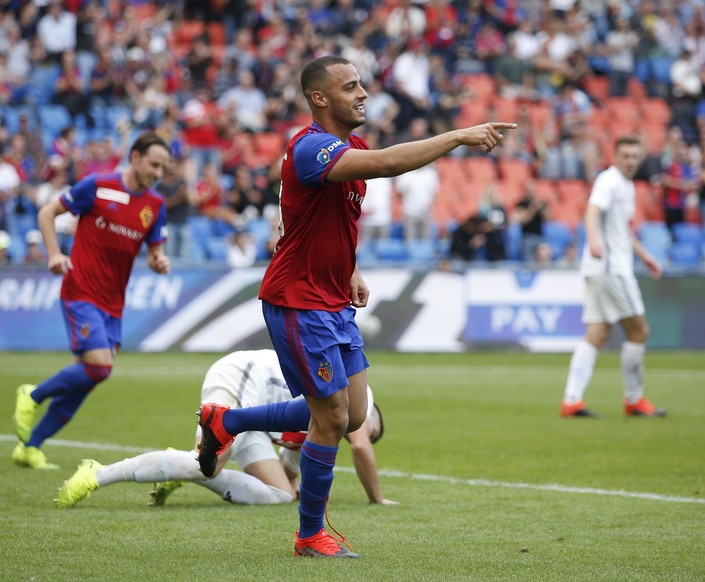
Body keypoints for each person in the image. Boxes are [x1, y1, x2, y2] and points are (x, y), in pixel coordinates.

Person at [195, 55, 515, 558]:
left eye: (362, 84)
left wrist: (351, 269)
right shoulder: (309, 148)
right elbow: (389, 164)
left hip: (333, 300)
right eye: (350, 86)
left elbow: (327, 221)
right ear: (320, 98)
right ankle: (309, 535)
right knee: (331, 418)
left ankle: (225, 422)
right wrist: (456, 137)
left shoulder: (348, 147)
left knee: (351, 415)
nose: (363, 93)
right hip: (299, 301)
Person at [12, 131, 172, 469]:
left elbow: (156, 252)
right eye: (154, 165)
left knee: (87, 380)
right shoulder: (97, 185)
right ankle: (33, 394)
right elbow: (46, 213)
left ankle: (30, 446)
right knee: (99, 366)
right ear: (135, 158)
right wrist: (54, 254)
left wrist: (159, 262)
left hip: (113, 304)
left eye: (163, 168)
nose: (158, 173)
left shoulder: (156, 206)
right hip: (80, 291)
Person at [54, 350, 395, 509]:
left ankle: (183, 470)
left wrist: (296, 485)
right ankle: (98, 474)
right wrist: (376, 499)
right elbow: (362, 447)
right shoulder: (358, 396)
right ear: (372, 415)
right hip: (243, 375)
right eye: (371, 428)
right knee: (211, 463)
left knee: (278, 496)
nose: (364, 434)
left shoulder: (323, 421)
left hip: (259, 413)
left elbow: (293, 458)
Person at [561, 136, 666, 419]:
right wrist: (594, 240)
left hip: (600, 269)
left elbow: (623, 230)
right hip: (610, 268)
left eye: (635, 156)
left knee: (596, 334)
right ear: (615, 156)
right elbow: (592, 211)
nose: (630, 161)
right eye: (625, 156)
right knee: (638, 331)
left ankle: (571, 401)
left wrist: (644, 256)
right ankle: (634, 399)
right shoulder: (609, 181)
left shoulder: (626, 185)